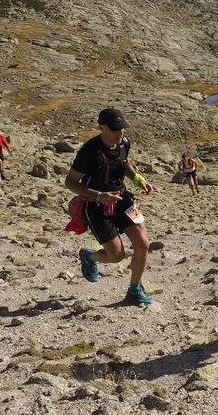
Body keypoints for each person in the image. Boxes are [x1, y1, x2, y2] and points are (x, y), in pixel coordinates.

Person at [64, 108, 157, 305]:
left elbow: (124, 163)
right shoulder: (90, 151)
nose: (120, 132)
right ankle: (89, 256)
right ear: (102, 128)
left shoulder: (124, 143)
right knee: (117, 256)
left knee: (143, 244)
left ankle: (134, 290)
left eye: (122, 128)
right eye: (115, 129)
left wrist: (139, 180)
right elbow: (70, 182)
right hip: (97, 207)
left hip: (124, 200)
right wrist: (100, 196)